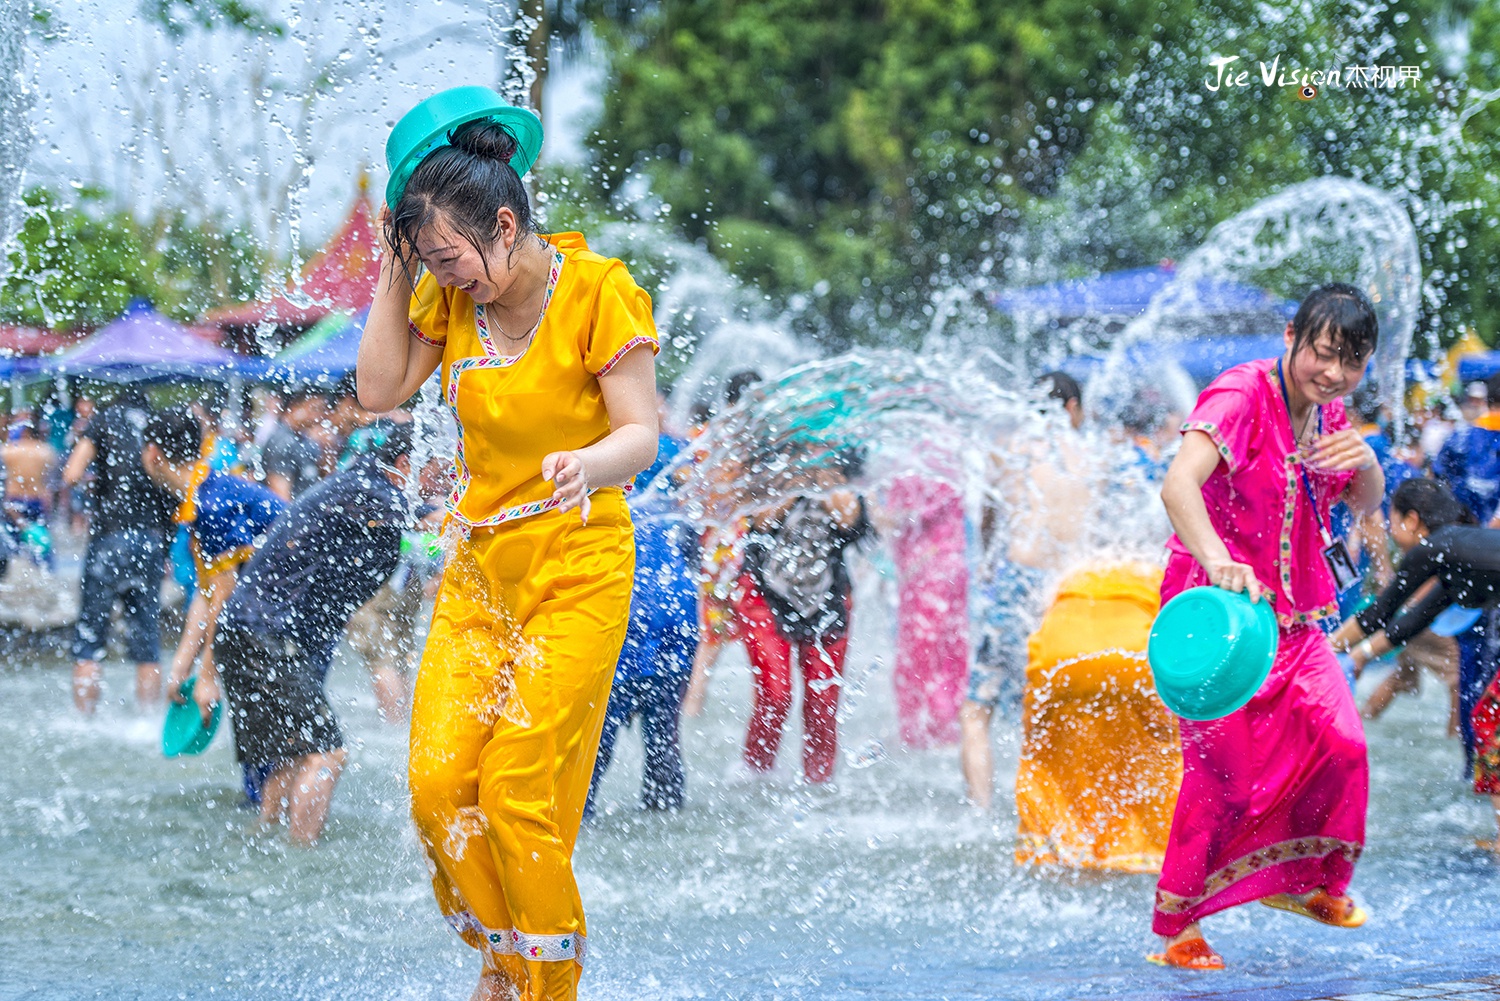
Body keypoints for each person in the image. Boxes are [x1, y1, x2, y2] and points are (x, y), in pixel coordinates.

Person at [358, 97, 658, 1001]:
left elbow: (641, 432)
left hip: (580, 562)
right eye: (432, 262)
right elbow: (376, 389)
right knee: (438, 782)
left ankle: (544, 985)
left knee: (518, 782)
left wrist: (589, 461)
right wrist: (393, 268)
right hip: (482, 571)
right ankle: (504, 957)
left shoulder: (599, 290)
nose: (453, 278)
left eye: (454, 257)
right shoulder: (447, 297)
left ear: (505, 222)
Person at [1150, 284, 1384, 971]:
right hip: (1218, 620)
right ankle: (1177, 930)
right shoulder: (1239, 394)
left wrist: (1367, 462)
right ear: (1291, 337)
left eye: (1351, 361)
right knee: (1223, 779)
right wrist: (1220, 561)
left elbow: (1364, 499)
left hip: (1300, 616)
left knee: (1341, 744)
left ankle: (1311, 880)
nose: (1334, 372)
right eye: (1323, 353)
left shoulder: (1330, 410)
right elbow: (1177, 485)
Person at [213, 423, 414, 844]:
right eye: (439, 470)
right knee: (327, 752)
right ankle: (301, 855)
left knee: (288, 753)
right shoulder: (370, 488)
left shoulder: (355, 484)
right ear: (405, 465)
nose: (449, 479)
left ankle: (263, 843)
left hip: (247, 629)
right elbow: (431, 520)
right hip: (266, 633)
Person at [1331, 477, 1500, 847]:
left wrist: (1323, 650)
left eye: (1391, 521)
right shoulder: (1453, 555)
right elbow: (1408, 623)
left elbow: (1380, 612)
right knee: (1489, 718)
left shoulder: (1435, 547)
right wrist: (1356, 656)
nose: (1390, 532)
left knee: (1491, 720)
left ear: (1411, 520)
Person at [961, 371, 1095, 810]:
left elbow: (987, 518)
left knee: (977, 710)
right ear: (1072, 409)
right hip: (1069, 591)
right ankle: (1051, 813)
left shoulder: (1012, 452)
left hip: (1018, 580)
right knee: (1049, 708)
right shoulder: (1094, 456)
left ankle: (979, 811)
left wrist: (985, 562)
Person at [1014, 563, 1181, 873]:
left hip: (1057, 657)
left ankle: (1057, 854)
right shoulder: (1161, 573)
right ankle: (1151, 855)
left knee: (1047, 757)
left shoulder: (1070, 576)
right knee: (1160, 751)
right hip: (1136, 651)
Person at [143, 406, 286, 749]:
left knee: (278, 739)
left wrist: (207, 676)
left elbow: (223, 600)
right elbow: (207, 594)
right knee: (264, 737)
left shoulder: (211, 504)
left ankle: (266, 800)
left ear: (154, 454)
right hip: (276, 607)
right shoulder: (202, 494)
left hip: (297, 606)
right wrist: (182, 665)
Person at [585, 416, 699, 817]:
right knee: (663, 738)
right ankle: (666, 820)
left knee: (595, 739)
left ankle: (573, 822)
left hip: (620, 611)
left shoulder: (592, 452)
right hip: (675, 613)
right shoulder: (671, 452)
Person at [736, 445, 871, 784]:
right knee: (776, 694)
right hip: (766, 595)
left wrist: (826, 484)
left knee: (823, 702)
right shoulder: (775, 460)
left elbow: (851, 523)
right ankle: (756, 771)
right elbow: (761, 521)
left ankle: (819, 779)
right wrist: (797, 479)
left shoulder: (841, 469)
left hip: (827, 600)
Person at [63, 388, 176, 712]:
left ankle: (84, 722)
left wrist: (97, 490)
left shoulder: (103, 420)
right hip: (150, 541)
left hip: (108, 539)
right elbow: (171, 488)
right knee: (147, 640)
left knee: (89, 636)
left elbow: (71, 474)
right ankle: (147, 721)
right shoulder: (157, 425)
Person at [2, 418, 59, 566]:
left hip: (13, 499)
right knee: (41, 545)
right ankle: (45, 574)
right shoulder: (46, 451)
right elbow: (53, 481)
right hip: (38, 500)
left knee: (12, 545)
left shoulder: (8, 451)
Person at [261, 388, 326, 501]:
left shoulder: (306, 440)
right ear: (294, 407)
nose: (318, 416)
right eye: (314, 409)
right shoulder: (282, 441)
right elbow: (280, 494)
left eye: (322, 410)